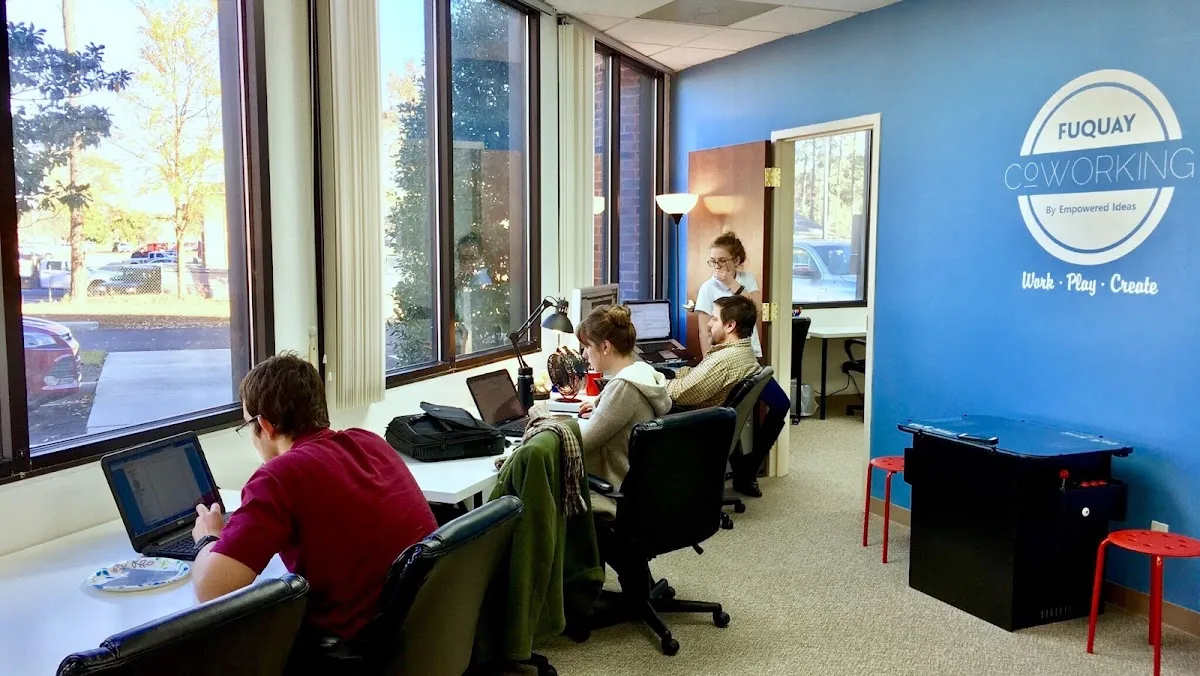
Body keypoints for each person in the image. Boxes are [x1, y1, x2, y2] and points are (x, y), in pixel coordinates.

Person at [189, 352, 437, 641]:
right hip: (422, 628)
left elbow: (211, 590)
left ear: (265, 426)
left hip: (356, 646)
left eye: (248, 426)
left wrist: (208, 538)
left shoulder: (278, 477)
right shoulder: (369, 442)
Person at [571, 305, 672, 518]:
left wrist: (543, 420)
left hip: (613, 492)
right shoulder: (642, 372)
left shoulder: (624, 388)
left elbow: (581, 443)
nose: (584, 355)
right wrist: (601, 407)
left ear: (605, 346)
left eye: (587, 346)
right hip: (640, 487)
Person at [667, 294, 760, 410]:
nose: (709, 324)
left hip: (691, 417)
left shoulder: (724, 360)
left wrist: (651, 380)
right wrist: (669, 373)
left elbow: (679, 392)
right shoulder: (745, 351)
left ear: (730, 326)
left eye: (714, 319)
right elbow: (699, 375)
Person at [694, 232, 764, 359]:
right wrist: (706, 360)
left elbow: (758, 308)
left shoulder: (748, 278)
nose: (716, 266)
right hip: (722, 356)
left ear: (736, 260)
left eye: (722, 261)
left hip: (750, 351)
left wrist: (733, 283)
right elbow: (704, 331)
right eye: (713, 261)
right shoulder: (707, 288)